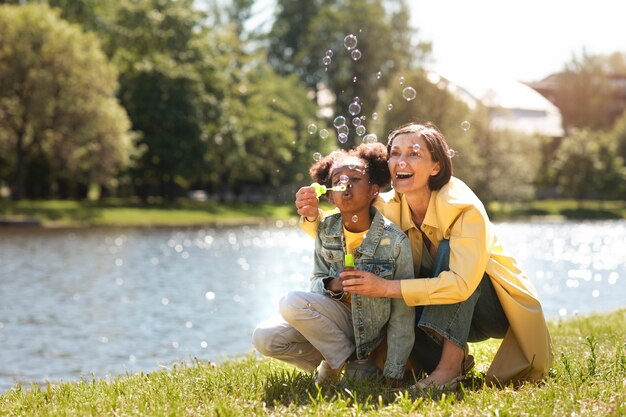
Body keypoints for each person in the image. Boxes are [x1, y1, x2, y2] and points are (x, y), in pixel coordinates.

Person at [295, 122, 553, 390]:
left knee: (446, 250)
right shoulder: (390, 205)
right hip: (442, 313)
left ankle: (449, 370)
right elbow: (351, 228)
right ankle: (450, 361)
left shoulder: (464, 209)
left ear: (436, 166)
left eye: (413, 153)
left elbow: (461, 285)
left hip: (494, 311)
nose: (400, 161)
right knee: (393, 313)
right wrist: (312, 215)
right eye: (394, 153)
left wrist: (385, 288)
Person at [252, 143, 415, 384]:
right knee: (264, 337)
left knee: (290, 302)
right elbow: (316, 282)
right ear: (330, 194)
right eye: (338, 179)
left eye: (355, 179)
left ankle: (337, 362)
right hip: (333, 322)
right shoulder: (326, 231)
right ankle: (350, 361)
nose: (345, 184)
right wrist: (332, 284)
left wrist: (394, 372)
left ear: (373, 191)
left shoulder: (395, 241)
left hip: (369, 327)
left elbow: (403, 313)